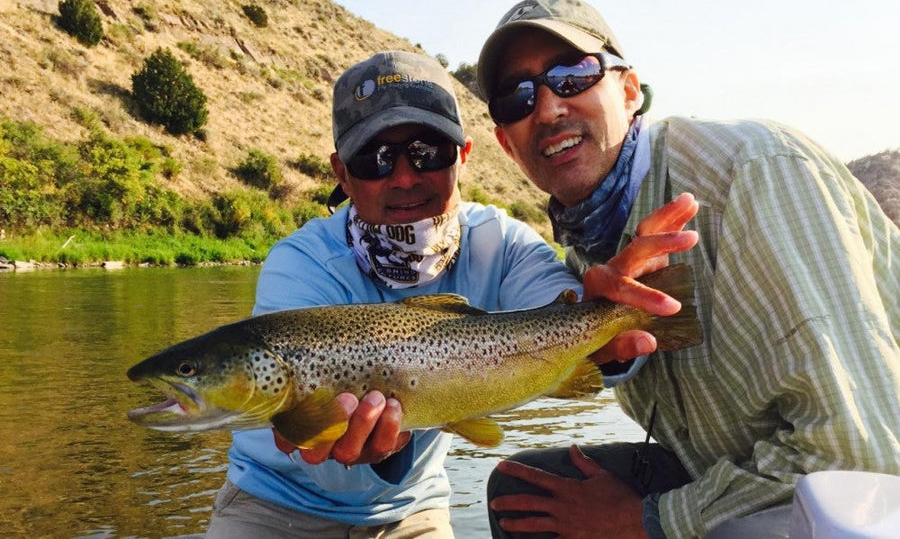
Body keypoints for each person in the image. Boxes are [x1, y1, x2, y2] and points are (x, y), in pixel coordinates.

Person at [205, 50, 696, 538]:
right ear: (342, 173)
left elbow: (572, 319)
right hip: (271, 506)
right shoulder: (301, 264)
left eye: (427, 152)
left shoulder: (500, 242)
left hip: (412, 510)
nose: (404, 177)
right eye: (375, 159)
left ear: (462, 154)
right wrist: (384, 450)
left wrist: (615, 318)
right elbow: (315, 454)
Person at [477, 0, 900, 539]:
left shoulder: (754, 172)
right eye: (517, 97)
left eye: (572, 75)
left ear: (630, 91)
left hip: (869, 489)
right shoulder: (585, 245)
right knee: (522, 494)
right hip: (730, 464)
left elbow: (859, 455)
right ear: (506, 145)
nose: (548, 108)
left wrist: (647, 520)